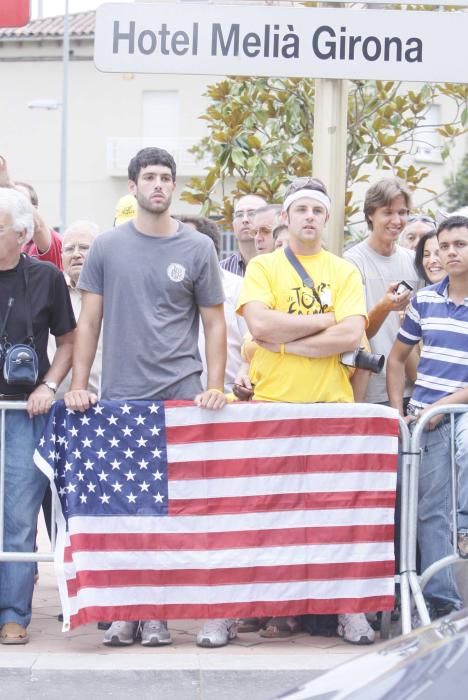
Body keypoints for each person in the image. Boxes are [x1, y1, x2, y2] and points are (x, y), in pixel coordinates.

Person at [63, 147, 232, 649]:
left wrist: (216, 384)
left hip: (182, 396)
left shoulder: (198, 247)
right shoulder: (107, 248)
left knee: (181, 513)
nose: (158, 185)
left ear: (174, 187)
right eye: (149, 177)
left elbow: (215, 322)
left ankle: (156, 613)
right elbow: (87, 323)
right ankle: (126, 612)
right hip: (123, 397)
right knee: (127, 511)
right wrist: (79, 385)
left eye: (166, 178)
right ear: (133, 186)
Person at [236, 177, 375, 645]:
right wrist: (323, 321)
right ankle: (265, 606)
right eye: (302, 210)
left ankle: (347, 610)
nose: (310, 217)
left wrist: (283, 341)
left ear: (328, 218)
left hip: (330, 407)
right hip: (272, 406)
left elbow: (352, 335)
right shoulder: (263, 267)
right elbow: (258, 322)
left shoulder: (344, 271)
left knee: (337, 517)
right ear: (286, 218)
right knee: (268, 516)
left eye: (318, 210)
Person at [0, 188, 75, 645]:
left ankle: (13, 615)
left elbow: (67, 342)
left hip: (25, 413)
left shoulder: (46, 277)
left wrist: (49, 386)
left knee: (19, 518)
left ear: (21, 232)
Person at [387, 215, 468, 620]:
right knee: (425, 512)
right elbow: (397, 359)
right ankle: (436, 602)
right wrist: (398, 412)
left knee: (447, 507)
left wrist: (442, 406)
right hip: (422, 423)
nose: (451, 252)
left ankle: (465, 529)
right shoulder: (425, 300)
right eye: (445, 245)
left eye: (460, 245)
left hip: (456, 416)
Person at [344, 178, 421, 407]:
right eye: (388, 212)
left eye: (403, 212)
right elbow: (354, 333)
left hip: (410, 388)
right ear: (370, 214)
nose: (397, 221)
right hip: (368, 389)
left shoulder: (414, 262)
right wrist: (384, 306)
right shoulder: (351, 262)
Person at [179, 215, 248, 393]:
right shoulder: (164, 290)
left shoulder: (238, 287)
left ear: (207, 247)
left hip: (228, 400)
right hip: (177, 402)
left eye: (184, 242)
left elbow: (252, 343)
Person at [220, 194, 266, 276]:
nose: (245, 220)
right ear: (233, 225)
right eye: (239, 215)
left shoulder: (283, 266)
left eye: (252, 213)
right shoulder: (221, 271)